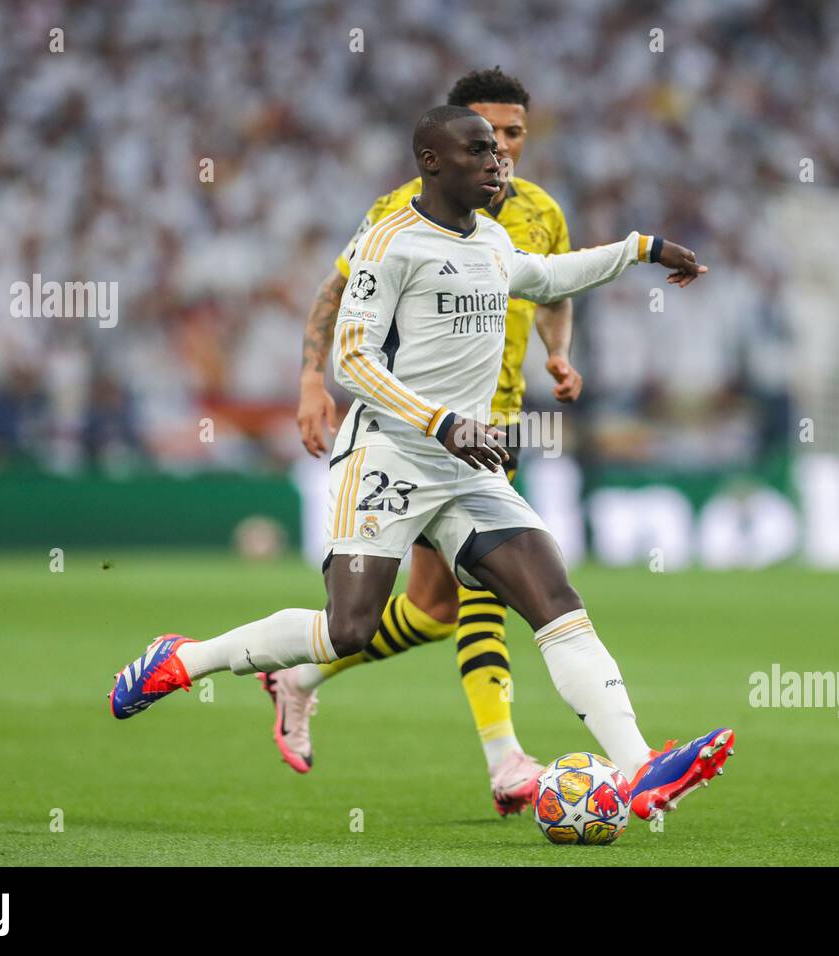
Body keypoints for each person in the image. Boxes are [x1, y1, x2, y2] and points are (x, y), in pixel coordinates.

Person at [109, 105, 734, 822]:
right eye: (478, 151)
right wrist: (440, 421)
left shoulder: (492, 241)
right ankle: (184, 660)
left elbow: (551, 276)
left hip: (466, 466)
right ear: (432, 163)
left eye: (500, 151)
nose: (498, 162)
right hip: (389, 455)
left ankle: (641, 767)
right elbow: (352, 358)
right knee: (350, 628)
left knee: (554, 600)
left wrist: (645, 249)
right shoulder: (390, 243)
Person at [272, 67, 581, 817]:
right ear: (446, 139)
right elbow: (337, 290)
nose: (501, 149)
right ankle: (506, 759)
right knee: (484, 591)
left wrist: (558, 351)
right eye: (487, 133)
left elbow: (553, 286)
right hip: (415, 429)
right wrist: (313, 379)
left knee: (434, 610)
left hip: (493, 425)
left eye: (514, 135)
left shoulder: (539, 211)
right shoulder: (399, 214)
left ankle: (299, 675)